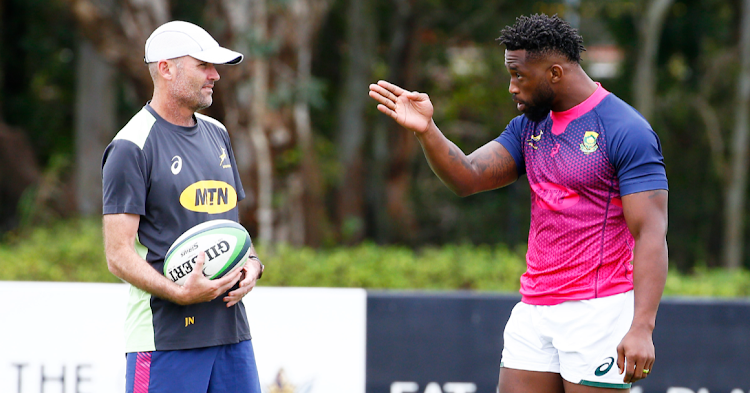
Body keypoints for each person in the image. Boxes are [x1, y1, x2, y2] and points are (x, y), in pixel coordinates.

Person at [369, 14, 668, 393]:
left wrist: (641, 327)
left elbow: (651, 233)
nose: (512, 87)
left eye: (519, 75)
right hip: (535, 309)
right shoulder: (530, 126)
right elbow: (469, 176)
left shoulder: (625, 130)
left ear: (555, 73)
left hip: (598, 311)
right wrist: (428, 131)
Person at [102, 21, 264, 393]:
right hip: (165, 339)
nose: (215, 75)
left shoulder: (217, 133)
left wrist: (253, 264)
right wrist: (178, 293)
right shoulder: (131, 145)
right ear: (166, 68)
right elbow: (118, 254)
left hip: (231, 335)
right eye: (203, 65)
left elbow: (232, 229)